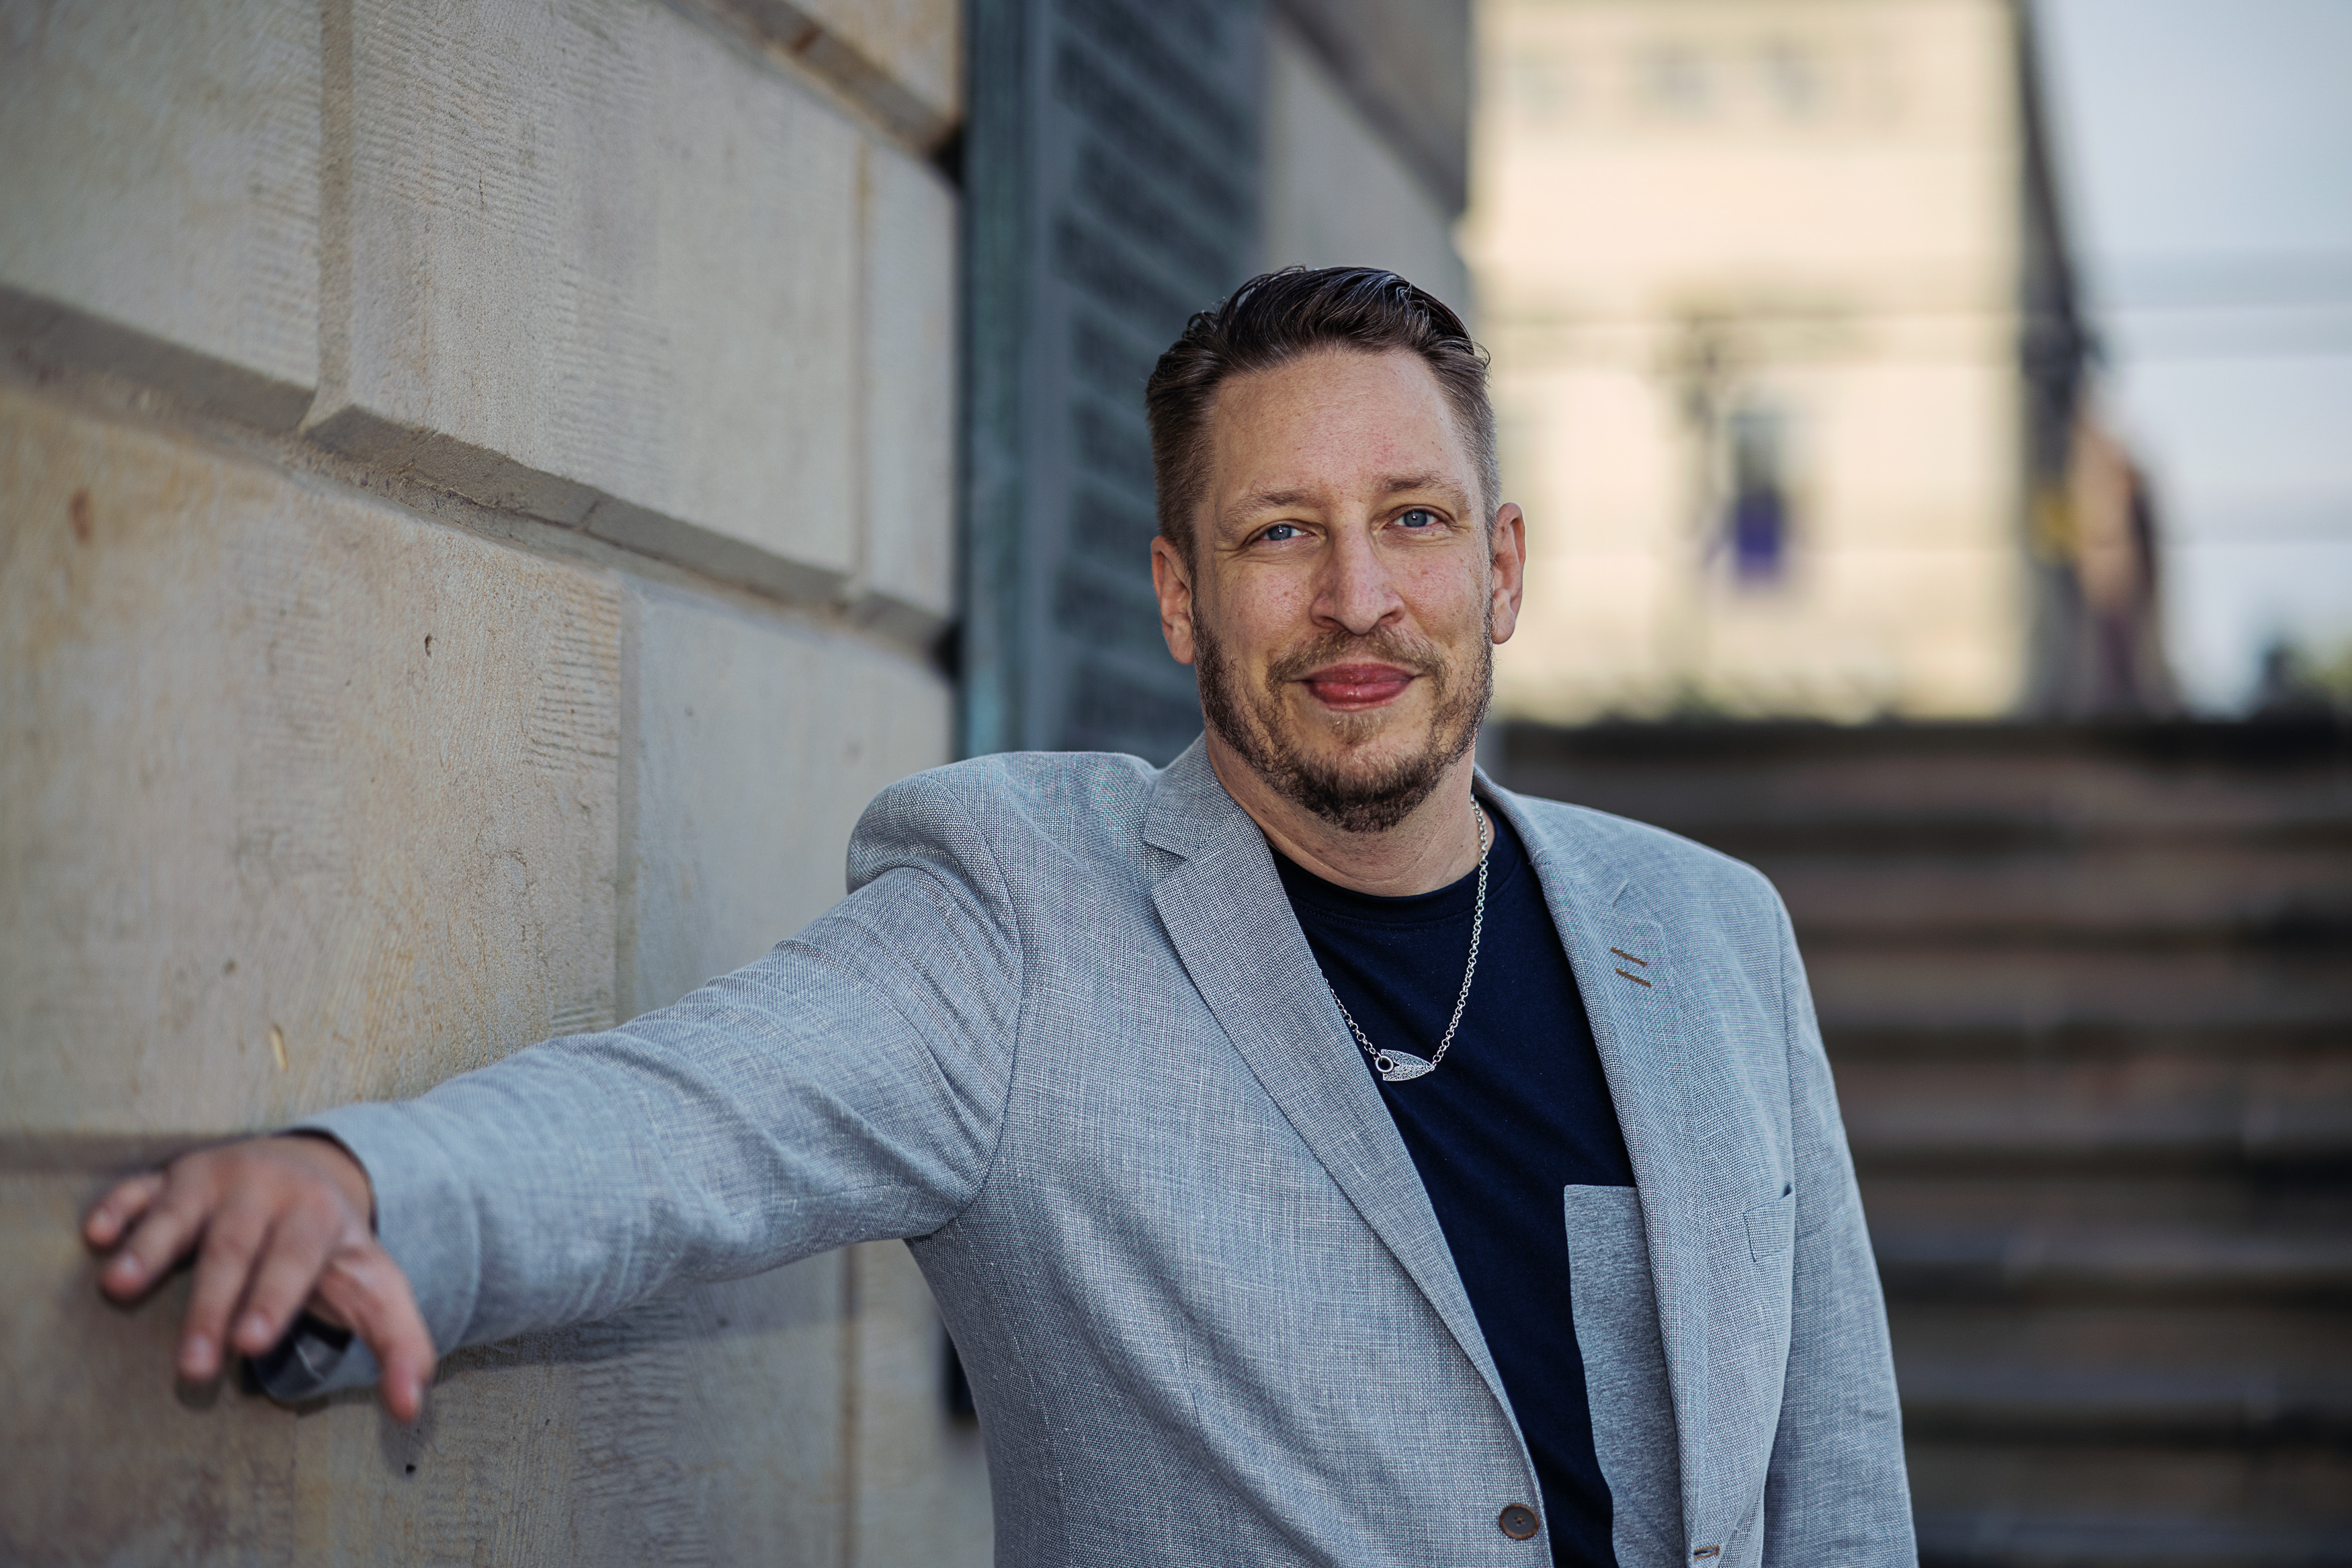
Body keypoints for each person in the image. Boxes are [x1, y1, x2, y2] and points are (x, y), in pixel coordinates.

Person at [83, 268, 1914, 1566]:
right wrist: (361, 1185)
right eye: (1280, 534)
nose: (1359, 597)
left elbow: (1833, 1485)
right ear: (1180, 597)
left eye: (1414, 519)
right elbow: (687, 1119)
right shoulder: (1029, 915)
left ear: (1499, 568)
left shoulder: (1713, 937)